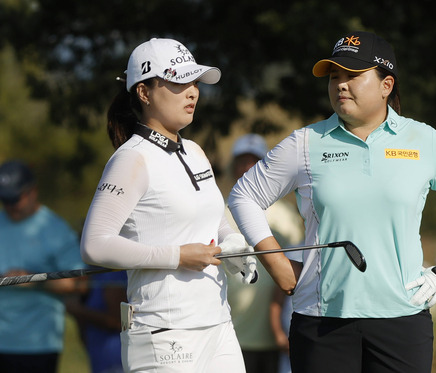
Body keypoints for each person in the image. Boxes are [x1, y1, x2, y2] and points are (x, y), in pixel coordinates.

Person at [228, 30, 436, 373]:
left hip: (403, 320)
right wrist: (278, 264)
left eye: (353, 76)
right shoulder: (305, 143)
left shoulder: (423, 140)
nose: (340, 85)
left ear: (386, 85)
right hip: (321, 322)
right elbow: (244, 195)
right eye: (335, 77)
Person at [80, 37, 257, 373]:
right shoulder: (131, 159)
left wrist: (232, 241)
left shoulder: (195, 151)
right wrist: (177, 256)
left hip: (219, 326)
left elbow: (215, 220)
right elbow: (94, 245)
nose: (192, 91)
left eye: (194, 81)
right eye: (178, 81)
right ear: (144, 93)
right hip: (162, 333)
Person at [225, 134, 304, 373]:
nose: (248, 167)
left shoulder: (287, 216)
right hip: (229, 333)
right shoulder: (219, 212)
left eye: (255, 161)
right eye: (242, 160)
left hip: (273, 336)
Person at [0, 159, 85, 373]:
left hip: (37, 345)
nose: (10, 206)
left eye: (15, 199)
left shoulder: (56, 229)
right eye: (5, 200)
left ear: (33, 191)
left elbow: (80, 284)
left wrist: (33, 280)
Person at [65, 269, 128, 373]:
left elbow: (118, 321)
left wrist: (77, 310)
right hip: (99, 358)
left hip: (117, 359)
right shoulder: (91, 272)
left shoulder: (111, 273)